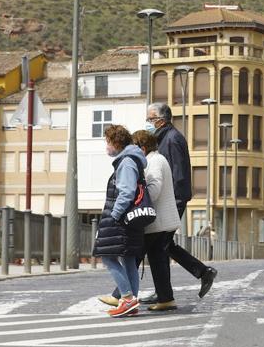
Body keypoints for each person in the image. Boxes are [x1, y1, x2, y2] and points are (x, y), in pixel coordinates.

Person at [145, 102, 217, 301]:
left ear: (161, 120)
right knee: (162, 245)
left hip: (173, 201)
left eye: (150, 119)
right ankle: (197, 275)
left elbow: (179, 175)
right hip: (171, 200)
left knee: (159, 245)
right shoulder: (164, 138)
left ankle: (167, 292)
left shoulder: (172, 139)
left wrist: (172, 202)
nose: (147, 122)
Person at [93, 125, 147, 318]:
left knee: (108, 257)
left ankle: (127, 298)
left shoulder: (126, 162)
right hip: (130, 220)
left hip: (121, 219)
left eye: (107, 142)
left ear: (116, 142)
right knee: (129, 259)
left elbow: (126, 193)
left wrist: (114, 216)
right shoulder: (133, 160)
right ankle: (131, 301)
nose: (106, 147)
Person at [132, 129, 181, 312]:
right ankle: (166, 298)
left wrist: (135, 198)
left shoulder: (154, 161)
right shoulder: (157, 159)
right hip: (161, 221)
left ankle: (120, 295)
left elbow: (154, 189)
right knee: (158, 260)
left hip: (156, 222)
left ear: (142, 148)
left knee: (134, 256)